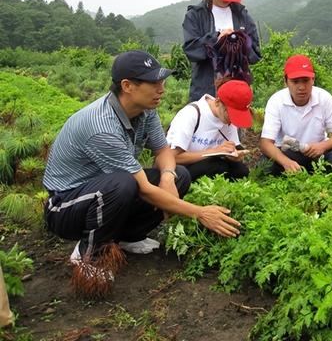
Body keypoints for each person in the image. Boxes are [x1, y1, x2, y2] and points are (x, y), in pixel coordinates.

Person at [42, 50, 241, 297]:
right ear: (127, 86)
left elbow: (163, 150)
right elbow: (143, 189)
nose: (162, 89)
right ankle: (89, 255)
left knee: (180, 174)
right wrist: (200, 212)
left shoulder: (145, 110)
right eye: (154, 83)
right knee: (122, 184)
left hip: (102, 190)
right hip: (65, 205)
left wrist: (168, 177)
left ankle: (127, 237)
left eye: (162, 82)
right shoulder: (102, 126)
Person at [259, 54, 332, 174]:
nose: (301, 87)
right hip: (288, 153)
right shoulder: (276, 101)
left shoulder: (324, 98)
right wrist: (286, 162)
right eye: (295, 81)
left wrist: (322, 146)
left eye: (306, 80)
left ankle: (306, 172)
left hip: (318, 153)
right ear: (285, 82)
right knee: (265, 164)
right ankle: (304, 171)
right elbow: (266, 143)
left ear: (313, 80)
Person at [182, 0, 261, 102]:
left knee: (237, 122)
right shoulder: (196, 15)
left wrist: (240, 41)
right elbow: (191, 50)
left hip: (237, 92)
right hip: (206, 93)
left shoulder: (242, 15)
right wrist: (217, 38)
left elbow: (255, 54)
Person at [166, 79, 253, 182]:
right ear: (217, 102)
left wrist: (234, 156)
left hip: (212, 163)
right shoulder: (191, 114)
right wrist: (216, 151)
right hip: (181, 168)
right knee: (217, 166)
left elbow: (232, 148)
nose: (232, 121)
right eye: (231, 114)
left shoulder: (226, 118)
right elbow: (171, 158)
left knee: (241, 171)